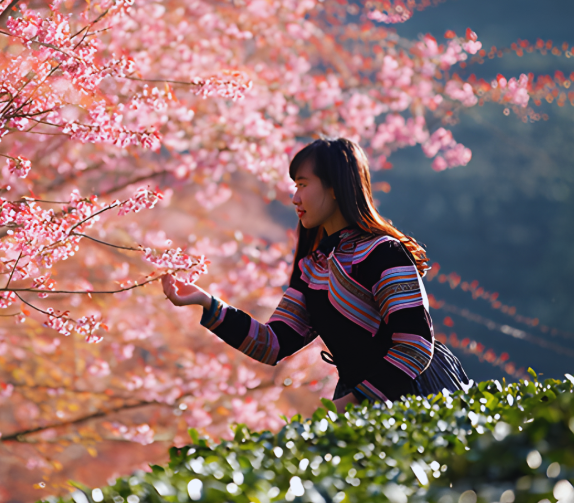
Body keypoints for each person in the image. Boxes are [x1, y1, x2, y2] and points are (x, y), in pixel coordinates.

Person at [161, 137, 472, 413]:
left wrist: (348, 405)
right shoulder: (314, 268)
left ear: (335, 188)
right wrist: (207, 303)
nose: (295, 198)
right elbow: (272, 343)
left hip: (418, 396)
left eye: (303, 184)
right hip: (360, 405)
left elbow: (415, 345)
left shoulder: (383, 252)